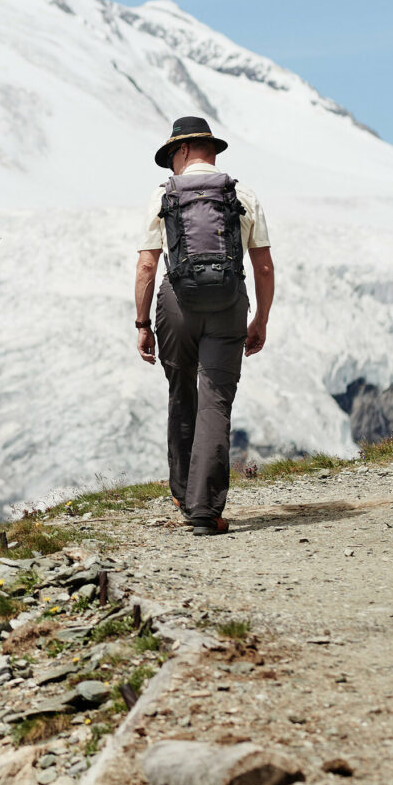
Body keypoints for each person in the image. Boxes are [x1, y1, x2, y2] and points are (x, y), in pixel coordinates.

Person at [135, 115, 276, 534]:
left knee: (181, 393)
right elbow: (263, 266)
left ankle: (182, 494)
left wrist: (143, 323)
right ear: (211, 150)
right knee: (215, 401)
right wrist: (260, 318)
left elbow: (147, 266)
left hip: (177, 304)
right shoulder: (241, 194)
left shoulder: (163, 195)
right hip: (228, 304)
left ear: (181, 150)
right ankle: (205, 511)